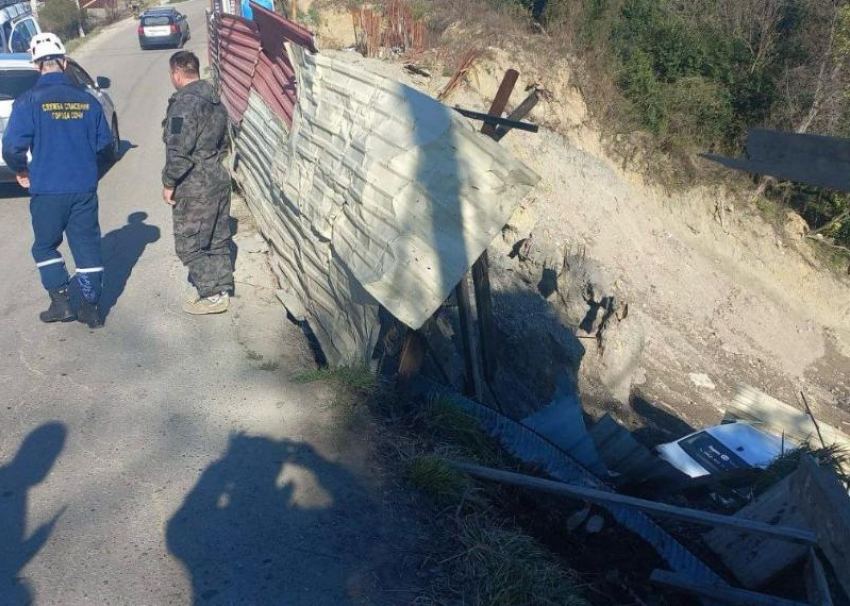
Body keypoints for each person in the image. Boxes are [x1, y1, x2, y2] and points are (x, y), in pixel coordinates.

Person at [2, 33, 113, 328]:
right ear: (64, 63)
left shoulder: (28, 101)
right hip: (83, 188)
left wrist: (21, 170)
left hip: (47, 189)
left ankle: (61, 302)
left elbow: (12, 147)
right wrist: (89, 170)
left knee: (44, 246)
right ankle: (91, 308)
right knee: (87, 247)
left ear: (38, 67)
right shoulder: (87, 101)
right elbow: (105, 146)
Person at [162, 50, 233, 315]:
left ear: (177, 74)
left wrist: (169, 182)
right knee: (216, 238)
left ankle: (212, 294)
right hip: (217, 177)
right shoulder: (214, 100)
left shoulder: (183, 105)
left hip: (195, 186)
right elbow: (224, 142)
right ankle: (222, 290)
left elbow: (178, 150)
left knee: (189, 244)